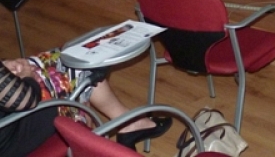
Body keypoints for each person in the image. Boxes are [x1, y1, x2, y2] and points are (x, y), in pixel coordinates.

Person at [0, 48, 172, 156]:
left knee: (57, 59)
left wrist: (4, 67)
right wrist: (27, 77)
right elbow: (27, 99)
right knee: (78, 68)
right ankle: (93, 143)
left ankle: (127, 123)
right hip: (15, 135)